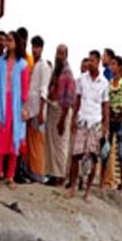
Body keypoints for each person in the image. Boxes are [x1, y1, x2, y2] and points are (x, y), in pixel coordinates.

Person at [65, 50, 108, 202]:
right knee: (76, 155)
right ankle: (72, 187)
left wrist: (105, 126)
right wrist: (73, 120)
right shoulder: (81, 80)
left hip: (95, 123)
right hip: (82, 120)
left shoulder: (104, 83)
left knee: (93, 158)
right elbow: (77, 100)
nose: (89, 63)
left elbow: (105, 106)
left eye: (92, 61)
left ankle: (87, 191)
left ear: (98, 62)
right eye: (88, 60)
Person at [0, 30, 29, 189]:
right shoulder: (1, 62)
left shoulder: (23, 64)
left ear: (17, 43)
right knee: (0, 140)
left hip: (15, 105)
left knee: (14, 141)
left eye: (11, 40)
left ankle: (10, 176)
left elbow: (25, 88)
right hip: (2, 105)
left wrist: (24, 108)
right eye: (7, 40)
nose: (7, 43)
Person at [45, 43, 75, 186]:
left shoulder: (67, 72)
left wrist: (63, 119)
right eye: (57, 53)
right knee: (51, 143)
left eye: (61, 54)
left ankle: (60, 176)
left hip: (61, 111)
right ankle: (52, 174)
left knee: (61, 145)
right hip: (52, 107)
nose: (58, 56)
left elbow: (68, 99)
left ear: (66, 55)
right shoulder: (56, 71)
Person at [101, 54, 122, 192]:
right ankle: (102, 180)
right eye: (111, 64)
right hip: (110, 120)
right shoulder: (108, 84)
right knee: (105, 151)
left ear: (119, 67)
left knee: (120, 152)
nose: (111, 67)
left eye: (114, 64)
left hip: (119, 122)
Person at [23, 34, 50, 183]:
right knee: (29, 141)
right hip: (30, 109)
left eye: (37, 47)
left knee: (37, 143)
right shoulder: (34, 65)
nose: (34, 50)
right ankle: (30, 171)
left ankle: (38, 173)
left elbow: (43, 91)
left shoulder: (44, 66)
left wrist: (40, 112)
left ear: (41, 48)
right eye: (33, 47)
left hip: (38, 110)